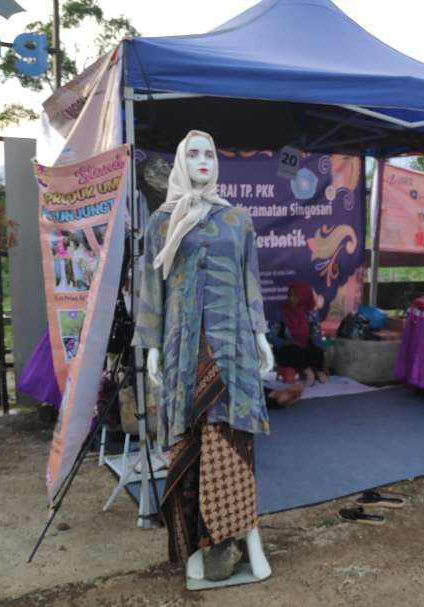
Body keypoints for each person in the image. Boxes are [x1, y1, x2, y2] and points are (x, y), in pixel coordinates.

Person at [134, 130, 274, 586]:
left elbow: (249, 279)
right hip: (184, 350)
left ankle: (249, 540)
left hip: (232, 351)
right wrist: (153, 346)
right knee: (190, 443)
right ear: (180, 162)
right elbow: (151, 288)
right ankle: (196, 550)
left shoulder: (238, 220)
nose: (203, 161)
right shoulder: (162, 221)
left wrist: (261, 335)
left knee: (235, 442)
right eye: (193, 154)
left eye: (210, 154)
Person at [271, 282, 328, 385]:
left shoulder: (311, 313)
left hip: (304, 348)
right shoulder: (282, 312)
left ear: (304, 297)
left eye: (295, 296)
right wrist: (283, 342)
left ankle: (318, 371)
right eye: (290, 295)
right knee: (293, 350)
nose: (291, 298)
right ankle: (308, 372)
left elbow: (317, 335)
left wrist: (314, 342)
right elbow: (270, 335)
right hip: (287, 349)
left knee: (316, 349)